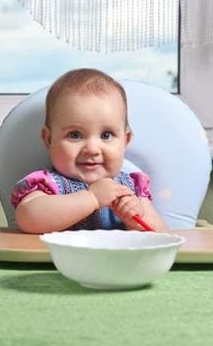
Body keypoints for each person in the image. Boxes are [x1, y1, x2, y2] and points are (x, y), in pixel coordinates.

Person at [11, 68, 168, 233]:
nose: (92, 149)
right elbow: (28, 219)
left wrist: (137, 217)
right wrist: (91, 198)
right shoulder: (47, 185)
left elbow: (162, 235)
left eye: (106, 135)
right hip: (60, 259)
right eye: (75, 135)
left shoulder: (131, 190)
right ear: (49, 140)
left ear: (125, 141)